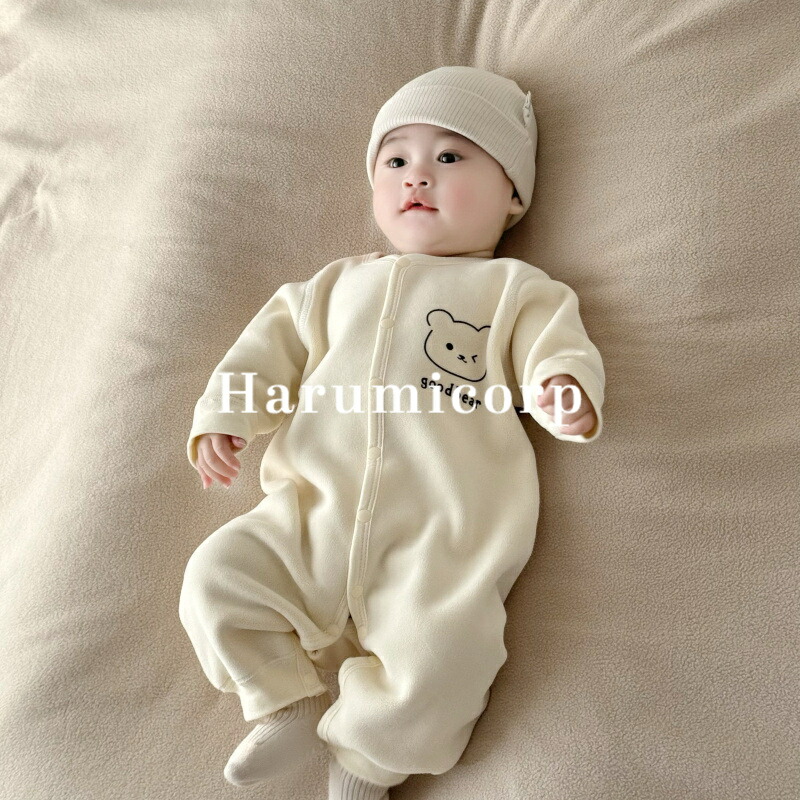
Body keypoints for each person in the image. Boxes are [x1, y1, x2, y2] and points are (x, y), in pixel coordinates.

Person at [179, 65, 605, 800]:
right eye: (396, 159)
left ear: (512, 195)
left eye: (450, 156)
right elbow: (263, 354)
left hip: (442, 532)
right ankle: (283, 703)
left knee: (445, 656)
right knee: (215, 578)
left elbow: (553, 348)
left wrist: (561, 387)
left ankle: (363, 767)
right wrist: (225, 416)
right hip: (311, 511)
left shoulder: (514, 290)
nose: (418, 176)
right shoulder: (331, 288)